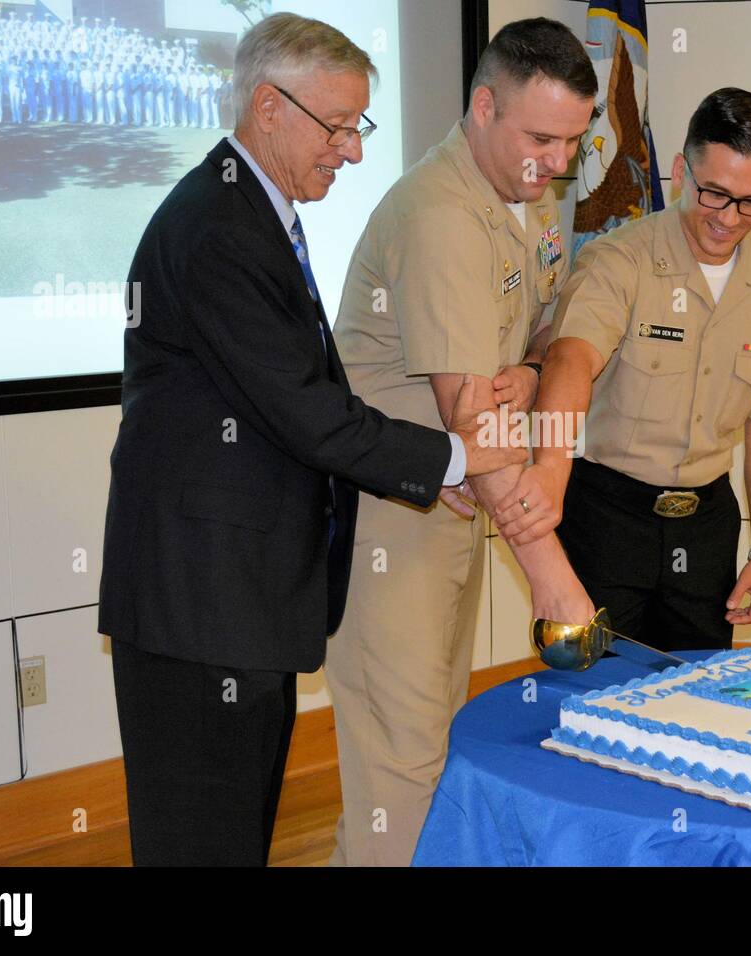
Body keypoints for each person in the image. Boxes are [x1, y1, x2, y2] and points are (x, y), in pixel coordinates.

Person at [97, 13, 526, 867]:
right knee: (203, 844)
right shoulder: (220, 228)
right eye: (338, 126)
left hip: (236, 604)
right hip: (200, 608)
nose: (354, 150)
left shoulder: (251, 211)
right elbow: (307, 414)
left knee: (232, 838)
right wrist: (453, 456)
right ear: (268, 107)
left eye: (359, 126)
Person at [327, 17, 598, 867]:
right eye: (541, 138)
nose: (558, 163)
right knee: (400, 765)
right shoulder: (442, 214)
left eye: (574, 143)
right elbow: (473, 425)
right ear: (483, 107)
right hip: (389, 521)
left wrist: (522, 366)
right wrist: (555, 584)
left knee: (432, 739)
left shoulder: (525, 201)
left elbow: (538, 339)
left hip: (452, 504)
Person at [495, 88, 751, 652]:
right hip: (609, 516)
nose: (730, 218)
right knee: (595, 694)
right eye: (715, 194)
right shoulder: (621, 260)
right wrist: (550, 473)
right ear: (681, 171)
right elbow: (570, 359)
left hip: (707, 523)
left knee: (697, 698)